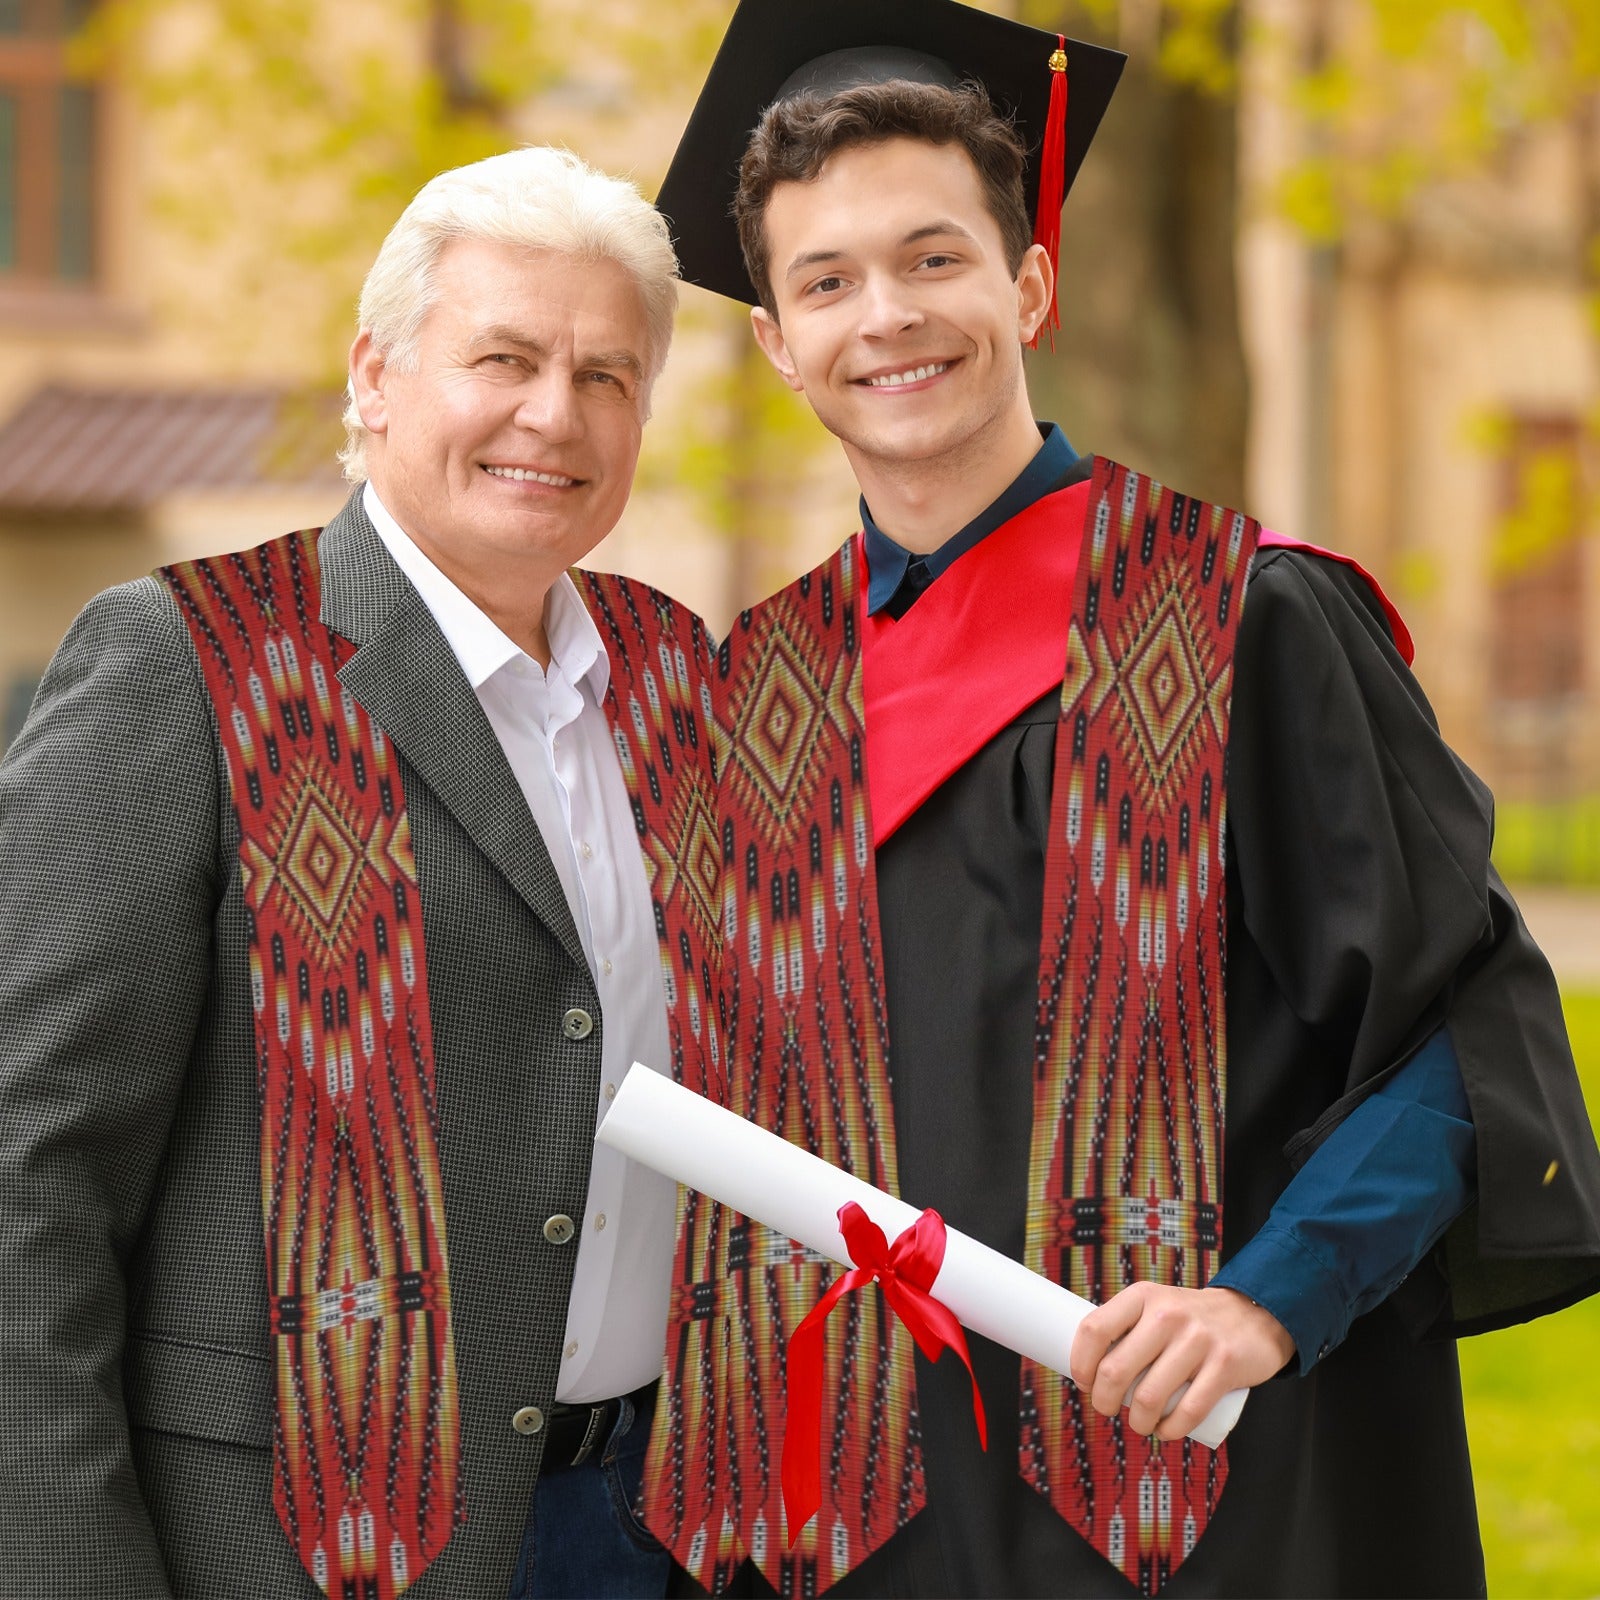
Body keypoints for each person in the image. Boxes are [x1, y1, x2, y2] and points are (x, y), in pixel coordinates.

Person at [631, 2, 1600, 1595]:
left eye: (935, 259)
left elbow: (1460, 1034)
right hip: (864, 1525)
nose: (888, 316)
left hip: (1204, 1498)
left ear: (1028, 282)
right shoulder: (764, 695)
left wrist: (1268, 1300)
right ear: (777, 342)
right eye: (828, 281)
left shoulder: (1244, 622)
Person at [0, 146, 716, 1599]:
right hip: (289, 1548)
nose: (552, 414)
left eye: (606, 375)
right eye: (503, 357)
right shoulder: (186, 662)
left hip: (647, 1528)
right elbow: (28, 1174)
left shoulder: (676, 675)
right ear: (376, 377)